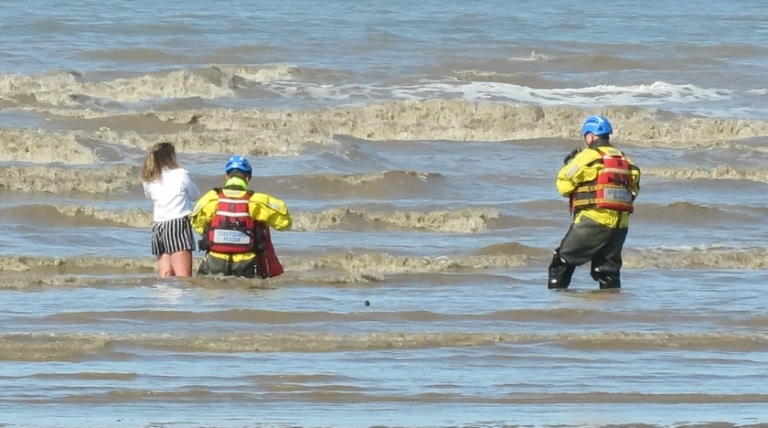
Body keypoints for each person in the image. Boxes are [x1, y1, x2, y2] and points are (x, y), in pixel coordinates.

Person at [548, 115, 641, 290]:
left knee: (562, 260)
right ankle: (609, 310)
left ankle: (556, 306)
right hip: (620, 225)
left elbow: (563, 186)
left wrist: (569, 164)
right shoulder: (626, 160)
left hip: (594, 219)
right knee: (607, 271)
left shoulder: (587, 156)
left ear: (590, 136)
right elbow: (634, 191)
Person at [190, 155, 292, 278]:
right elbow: (285, 223)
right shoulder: (257, 201)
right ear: (248, 178)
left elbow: (196, 224)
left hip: (215, 259)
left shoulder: (211, 198)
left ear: (227, 176)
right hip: (246, 262)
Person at [141, 142, 200, 277]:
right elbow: (194, 195)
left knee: (166, 276)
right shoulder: (180, 174)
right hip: (177, 223)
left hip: (159, 226)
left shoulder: (150, 179)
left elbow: (149, 195)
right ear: (171, 157)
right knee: (183, 276)